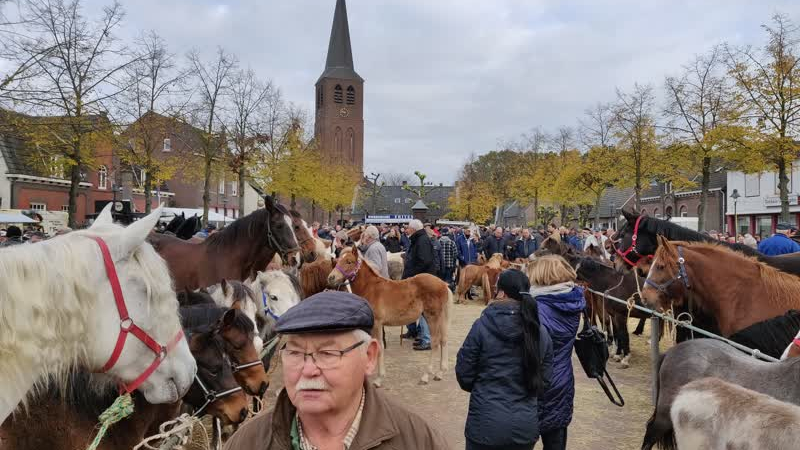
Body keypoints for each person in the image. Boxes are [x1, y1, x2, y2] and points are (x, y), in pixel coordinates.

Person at [223, 291, 449, 450]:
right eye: (295, 353)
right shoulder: (249, 442)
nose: (308, 370)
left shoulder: (418, 441)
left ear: (369, 357)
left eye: (328, 354)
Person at [456, 269, 553, 450]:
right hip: (524, 426)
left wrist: (483, 387)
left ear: (501, 292)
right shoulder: (540, 331)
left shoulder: (482, 326)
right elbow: (545, 379)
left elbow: (464, 373)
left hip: (485, 423)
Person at [526, 255, 586, 450]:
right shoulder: (574, 302)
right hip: (562, 379)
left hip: (536, 381)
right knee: (556, 439)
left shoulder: (536, 307)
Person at [401, 219, 436, 351]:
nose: (406, 230)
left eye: (408, 228)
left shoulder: (421, 240)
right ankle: (422, 336)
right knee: (421, 310)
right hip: (420, 280)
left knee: (424, 310)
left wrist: (413, 276)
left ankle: (426, 339)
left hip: (423, 282)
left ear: (414, 229)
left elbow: (424, 261)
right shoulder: (419, 239)